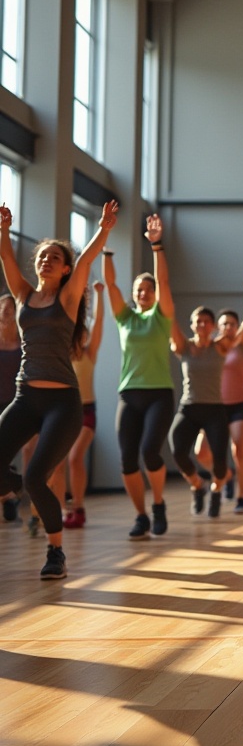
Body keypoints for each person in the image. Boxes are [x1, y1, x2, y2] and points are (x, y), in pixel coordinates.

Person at [0, 199, 117, 580]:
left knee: (37, 478)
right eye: (43, 256)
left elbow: (86, 260)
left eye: (55, 257)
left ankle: (55, 552)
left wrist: (104, 228)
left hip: (62, 403)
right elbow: (6, 258)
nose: (46, 260)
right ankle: (15, 487)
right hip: (26, 397)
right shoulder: (23, 296)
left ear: (65, 269)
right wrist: (3, 229)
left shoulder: (67, 298)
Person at [104, 214, 176, 541]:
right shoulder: (125, 318)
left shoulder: (161, 317)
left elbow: (163, 281)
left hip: (159, 393)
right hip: (129, 394)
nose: (143, 293)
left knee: (150, 452)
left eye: (148, 289)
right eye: (139, 289)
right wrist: (106, 249)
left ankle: (158, 503)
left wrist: (156, 245)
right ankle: (140, 515)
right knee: (127, 460)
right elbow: (111, 285)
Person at [168, 277, 243, 519]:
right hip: (189, 407)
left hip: (215, 410)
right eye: (198, 321)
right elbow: (167, 314)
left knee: (221, 462)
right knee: (178, 450)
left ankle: (218, 490)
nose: (202, 325)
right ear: (192, 325)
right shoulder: (183, 346)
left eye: (206, 322)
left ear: (212, 327)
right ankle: (197, 485)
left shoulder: (220, 347)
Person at [192, 281, 243, 513]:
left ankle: (241, 497)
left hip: (240, 407)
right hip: (215, 407)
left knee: (238, 450)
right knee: (201, 453)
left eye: (232, 324)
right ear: (216, 327)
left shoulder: (242, 346)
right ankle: (226, 475)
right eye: (224, 324)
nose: (229, 327)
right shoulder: (211, 348)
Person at [48, 280, 104, 528]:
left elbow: (98, 322)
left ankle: (78, 506)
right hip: (62, 412)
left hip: (86, 412)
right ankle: (61, 510)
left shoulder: (90, 353)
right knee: (58, 463)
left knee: (74, 458)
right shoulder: (60, 355)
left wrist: (98, 296)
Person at [0, 294, 24, 523]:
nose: (7, 312)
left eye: (11, 309)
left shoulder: (22, 342)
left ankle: (9, 495)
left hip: (14, 404)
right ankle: (9, 495)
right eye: (4, 308)